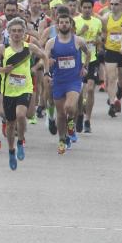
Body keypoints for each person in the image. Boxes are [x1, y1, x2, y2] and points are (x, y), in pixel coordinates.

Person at [0, 18, 47, 167]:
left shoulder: (30, 48)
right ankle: (11, 150)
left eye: (19, 31)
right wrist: (2, 70)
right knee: (10, 124)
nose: (16, 34)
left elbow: (44, 57)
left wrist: (41, 71)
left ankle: (21, 140)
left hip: (25, 88)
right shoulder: (2, 49)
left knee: (21, 115)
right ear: (8, 33)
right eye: (13, 31)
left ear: (24, 33)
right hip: (8, 90)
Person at [45, 11, 91, 155]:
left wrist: (85, 67)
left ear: (71, 25)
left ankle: (71, 125)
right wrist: (47, 71)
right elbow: (45, 58)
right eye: (61, 22)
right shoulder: (51, 42)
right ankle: (62, 140)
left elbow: (88, 53)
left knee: (70, 107)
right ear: (57, 25)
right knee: (60, 114)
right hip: (58, 81)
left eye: (67, 22)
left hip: (73, 80)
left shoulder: (78, 41)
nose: (64, 24)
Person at [73, 0, 102, 133]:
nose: (87, 10)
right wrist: (81, 32)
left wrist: (99, 41)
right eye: (84, 7)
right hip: (78, 60)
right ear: (81, 8)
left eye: (89, 7)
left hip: (92, 59)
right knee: (79, 91)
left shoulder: (97, 21)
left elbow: (100, 37)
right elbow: (70, 40)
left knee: (90, 89)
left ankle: (87, 120)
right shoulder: (76, 21)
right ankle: (79, 114)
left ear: (92, 8)